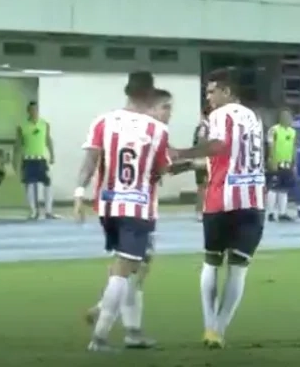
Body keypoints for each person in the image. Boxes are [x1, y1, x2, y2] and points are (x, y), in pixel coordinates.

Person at [73, 72, 171, 352]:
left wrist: (79, 194)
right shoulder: (156, 130)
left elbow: (90, 160)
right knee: (123, 271)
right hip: (138, 207)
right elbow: (162, 170)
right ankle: (100, 337)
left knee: (131, 267)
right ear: (150, 95)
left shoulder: (103, 121)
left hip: (108, 206)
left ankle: (132, 331)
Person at [171, 67, 265, 349]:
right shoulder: (254, 117)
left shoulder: (218, 116)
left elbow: (218, 147)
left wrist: (182, 153)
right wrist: (186, 166)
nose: (208, 97)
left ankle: (209, 324)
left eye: (212, 91)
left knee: (212, 261)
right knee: (238, 268)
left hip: (221, 199)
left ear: (227, 92)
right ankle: (219, 330)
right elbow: (232, 157)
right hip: (253, 201)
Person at [15, 101, 56, 220]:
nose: (34, 112)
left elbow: (48, 140)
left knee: (47, 183)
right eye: (31, 110)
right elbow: (18, 144)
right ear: (28, 111)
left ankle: (48, 211)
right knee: (30, 184)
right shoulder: (22, 126)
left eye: (36, 110)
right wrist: (15, 159)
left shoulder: (44, 124)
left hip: (41, 159)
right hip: (28, 159)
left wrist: (52, 155)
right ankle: (33, 211)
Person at [265, 108, 297, 222]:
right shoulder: (274, 130)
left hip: (287, 163)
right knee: (273, 188)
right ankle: (271, 213)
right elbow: (270, 146)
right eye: (285, 117)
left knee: (284, 189)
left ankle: (282, 213)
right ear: (281, 118)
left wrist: (294, 162)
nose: (288, 119)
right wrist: (272, 160)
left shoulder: (292, 131)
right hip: (276, 162)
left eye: (289, 117)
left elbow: (293, 147)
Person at [193, 110, 209, 222]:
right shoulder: (205, 126)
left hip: (201, 158)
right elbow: (201, 141)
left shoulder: (202, 126)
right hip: (204, 159)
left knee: (203, 186)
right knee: (203, 186)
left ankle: (201, 210)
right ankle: (200, 211)